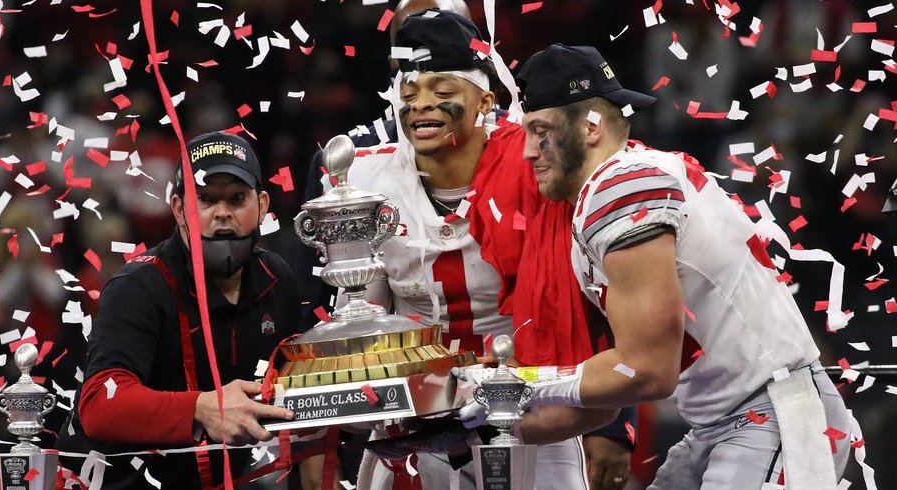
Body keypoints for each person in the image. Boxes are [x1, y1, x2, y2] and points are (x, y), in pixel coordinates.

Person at [298, 9, 634, 490]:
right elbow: (363, 312)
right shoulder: (364, 180)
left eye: (442, 91)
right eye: (409, 93)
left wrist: (614, 422)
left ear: (485, 101)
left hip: (534, 411)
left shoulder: (538, 165)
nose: (420, 106)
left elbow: (600, 299)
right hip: (415, 427)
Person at [502, 43, 851, 488]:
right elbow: (610, 396)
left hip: (773, 415)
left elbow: (647, 370)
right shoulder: (616, 187)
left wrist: (523, 386)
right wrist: (476, 424)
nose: (528, 151)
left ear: (591, 128)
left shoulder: (621, 187)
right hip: (722, 423)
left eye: (540, 130)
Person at [57, 131, 303, 489]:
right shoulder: (139, 285)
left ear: (262, 205)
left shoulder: (277, 277)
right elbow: (98, 403)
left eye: (237, 199)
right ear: (177, 208)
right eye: (204, 199)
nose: (222, 214)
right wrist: (201, 409)